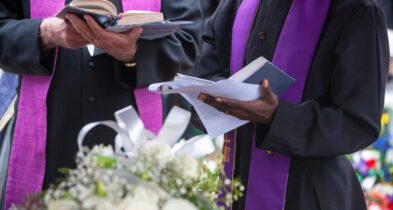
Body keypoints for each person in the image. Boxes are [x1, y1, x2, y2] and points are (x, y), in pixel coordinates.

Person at [0, 0, 201, 208]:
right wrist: (45, 33)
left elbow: (187, 39)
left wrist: (134, 52)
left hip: (132, 138)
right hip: (48, 137)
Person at [196, 0, 390, 209]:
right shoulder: (238, 3)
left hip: (307, 194)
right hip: (236, 187)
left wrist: (278, 116)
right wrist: (214, 98)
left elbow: (358, 123)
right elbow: (208, 71)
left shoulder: (356, 9)